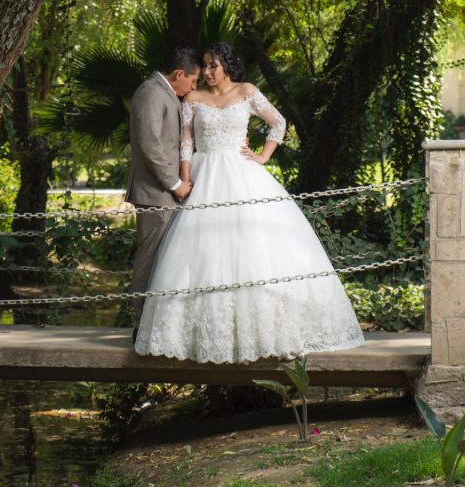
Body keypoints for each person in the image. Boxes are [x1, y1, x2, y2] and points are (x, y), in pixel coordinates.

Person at [135, 42, 364, 363]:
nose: (209, 73)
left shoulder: (247, 91)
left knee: (254, 248)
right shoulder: (193, 98)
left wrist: (262, 156)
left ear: (228, 65)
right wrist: (184, 180)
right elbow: (186, 143)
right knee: (202, 255)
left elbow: (278, 122)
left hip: (242, 173)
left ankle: (264, 331)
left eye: (214, 66)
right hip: (205, 177)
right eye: (205, 66)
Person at [126, 48, 201, 339]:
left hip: (163, 191)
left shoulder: (164, 92)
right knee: (150, 256)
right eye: (192, 82)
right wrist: (174, 183)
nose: (193, 88)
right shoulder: (151, 93)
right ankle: (140, 324)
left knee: (163, 258)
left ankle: (156, 322)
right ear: (179, 74)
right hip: (155, 192)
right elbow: (150, 144)